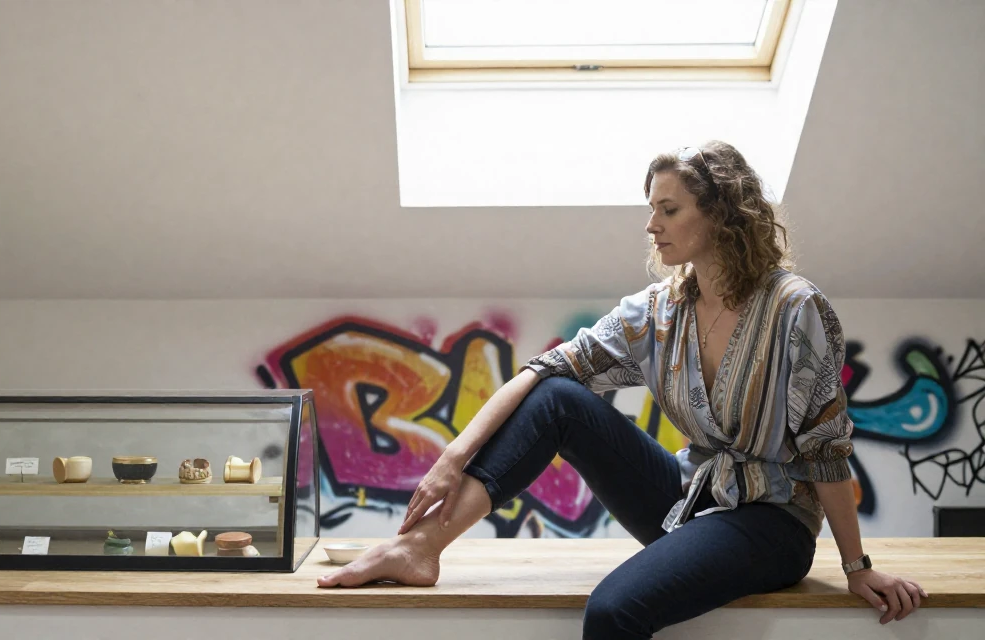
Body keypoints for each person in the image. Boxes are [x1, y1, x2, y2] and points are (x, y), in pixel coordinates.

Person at [316, 141, 927, 637]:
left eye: (669, 209)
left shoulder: (795, 308)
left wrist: (855, 568)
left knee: (613, 612)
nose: (650, 225)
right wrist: (452, 458)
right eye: (651, 208)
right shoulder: (661, 310)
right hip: (687, 501)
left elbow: (826, 448)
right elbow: (540, 372)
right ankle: (421, 549)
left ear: (719, 215)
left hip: (771, 523)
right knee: (559, 398)